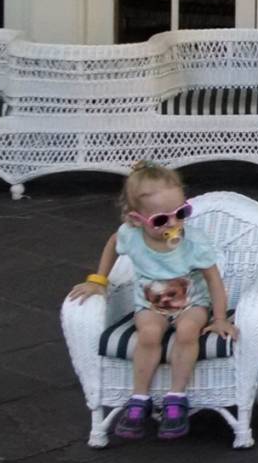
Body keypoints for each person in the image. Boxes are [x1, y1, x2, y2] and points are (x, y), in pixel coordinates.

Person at [68, 163, 236, 440]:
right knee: (148, 334)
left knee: (187, 330)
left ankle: (176, 396)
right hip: (149, 305)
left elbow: (214, 279)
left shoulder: (193, 242)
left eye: (181, 213)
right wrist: (99, 279)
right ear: (137, 219)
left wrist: (219, 318)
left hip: (192, 303)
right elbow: (112, 243)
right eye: (161, 220)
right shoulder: (130, 236)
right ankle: (139, 397)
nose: (174, 224)